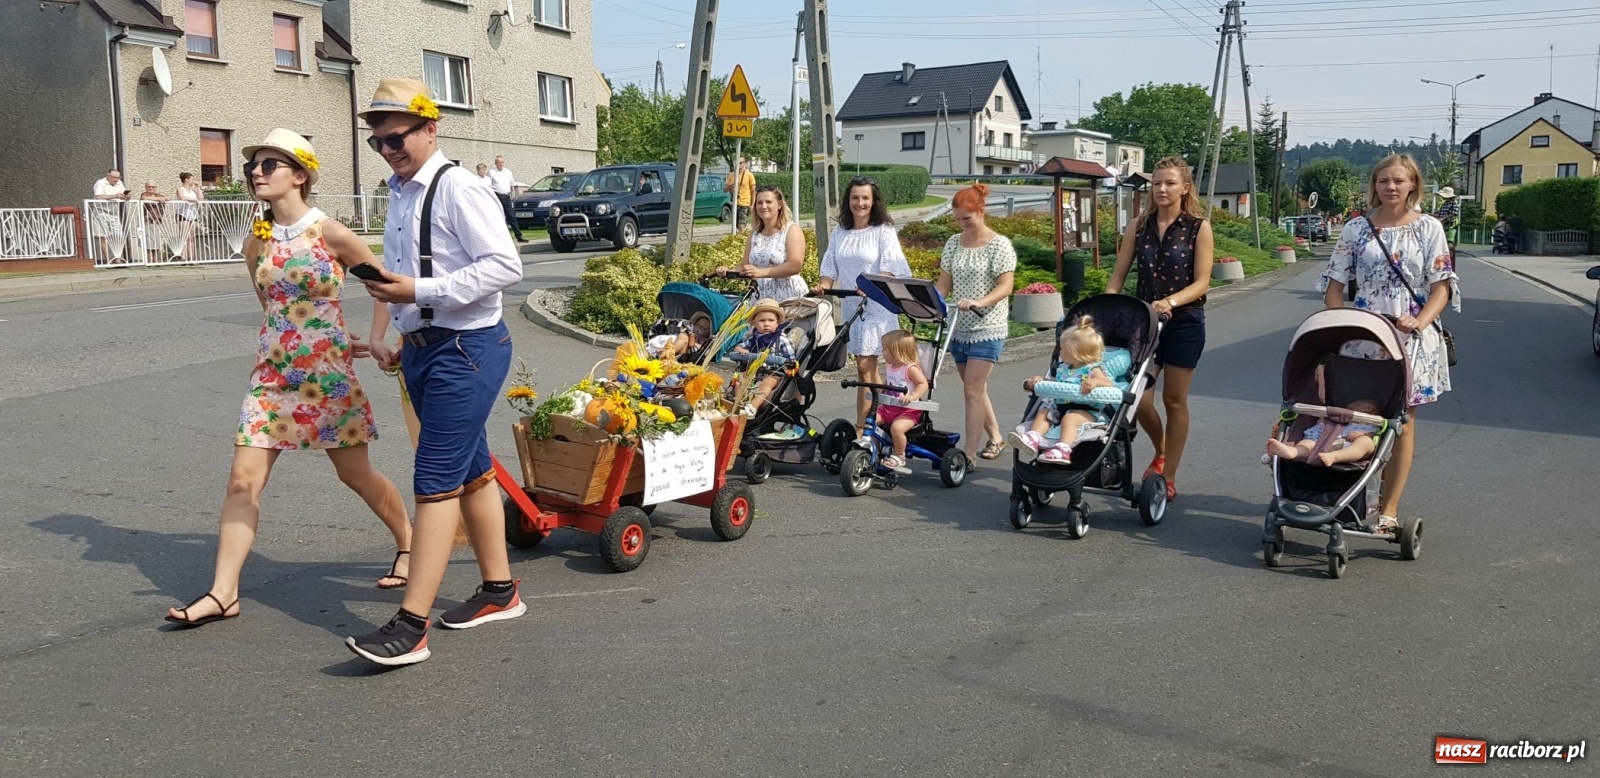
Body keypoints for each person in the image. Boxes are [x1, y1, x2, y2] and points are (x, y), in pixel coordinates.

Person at [163, 129, 413, 629]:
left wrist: (379, 339)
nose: (256, 171)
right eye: (253, 165)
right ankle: (223, 592)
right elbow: (271, 307)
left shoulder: (331, 233)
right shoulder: (255, 241)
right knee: (242, 481)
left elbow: (385, 287)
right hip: (273, 376)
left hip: (328, 377)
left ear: (300, 175)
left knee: (355, 475)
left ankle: (408, 542)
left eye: (270, 164)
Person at [345, 79, 526, 667]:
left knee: (436, 478)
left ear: (430, 128)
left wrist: (420, 292)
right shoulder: (401, 193)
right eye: (378, 142)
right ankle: (500, 590)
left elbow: (505, 265)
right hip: (425, 348)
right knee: (472, 472)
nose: (389, 149)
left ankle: (410, 624)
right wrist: (401, 330)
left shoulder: (459, 189)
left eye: (397, 137)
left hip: (467, 349)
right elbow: (403, 271)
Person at [1317, 153, 1457, 533]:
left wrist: (1419, 321)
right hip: (1363, 336)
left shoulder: (1429, 228)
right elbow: (1334, 288)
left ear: (1413, 185)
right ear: (1374, 186)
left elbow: (1441, 289)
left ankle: (1389, 507)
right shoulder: (1355, 229)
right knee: (1356, 417)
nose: (1390, 187)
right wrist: (1345, 326)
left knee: (1401, 423)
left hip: (1411, 339)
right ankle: (1350, 498)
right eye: (1383, 181)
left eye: (1398, 181)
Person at [1106, 155, 1215, 501]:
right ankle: (1162, 447)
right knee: (1138, 398)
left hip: (1184, 321)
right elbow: (1119, 274)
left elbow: (1202, 283)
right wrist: (1108, 305)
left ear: (1185, 188)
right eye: (1156, 183)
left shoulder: (1199, 227)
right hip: (1145, 322)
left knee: (1174, 400)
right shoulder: (1139, 226)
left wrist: (1172, 301)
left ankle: (1167, 476)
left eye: (1169, 183)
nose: (1161, 189)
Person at [812, 177, 912, 431]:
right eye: (855, 197)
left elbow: (892, 267)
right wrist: (824, 284)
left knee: (865, 367)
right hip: (852, 307)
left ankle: (864, 426)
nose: (860, 203)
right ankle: (875, 420)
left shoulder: (883, 230)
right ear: (848, 200)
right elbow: (830, 265)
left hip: (877, 306)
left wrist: (870, 285)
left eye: (865, 198)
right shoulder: (840, 232)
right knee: (863, 371)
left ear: (874, 200)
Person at [935, 183, 1017, 461]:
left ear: (981, 212)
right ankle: (995, 436)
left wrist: (980, 302)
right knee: (975, 389)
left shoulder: (999, 245)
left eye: (966, 219)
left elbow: (1005, 286)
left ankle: (968, 454)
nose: (962, 224)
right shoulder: (953, 243)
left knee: (972, 389)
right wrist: (929, 304)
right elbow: (943, 284)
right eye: (957, 219)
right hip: (959, 326)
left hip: (988, 326)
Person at [1010, 316, 1117, 465]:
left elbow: (1108, 384)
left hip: (1087, 411)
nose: (1059, 352)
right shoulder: (1063, 369)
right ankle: (1033, 437)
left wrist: (1095, 382)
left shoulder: (1092, 368)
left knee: (1070, 419)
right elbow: (1058, 384)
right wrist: (1042, 381)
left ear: (1074, 351)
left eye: (1062, 348)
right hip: (1061, 406)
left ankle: (1063, 449)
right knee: (1044, 411)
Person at [719, 185, 808, 301]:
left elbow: (795, 265)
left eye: (768, 202)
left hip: (788, 294)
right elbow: (744, 266)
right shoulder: (755, 234)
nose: (763, 206)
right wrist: (727, 271)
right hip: (761, 294)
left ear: (779, 205)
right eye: (759, 203)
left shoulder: (791, 230)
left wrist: (761, 272)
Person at [875, 329, 929, 476]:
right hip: (889, 407)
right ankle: (872, 450)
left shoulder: (910, 368)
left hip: (907, 411)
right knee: (870, 421)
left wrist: (913, 395)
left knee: (897, 428)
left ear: (897, 352)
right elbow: (890, 380)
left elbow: (923, 384)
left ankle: (899, 455)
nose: (882, 352)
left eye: (885, 349)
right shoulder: (890, 365)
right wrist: (883, 388)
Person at [1265, 399, 1382, 467]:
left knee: (1366, 443)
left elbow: (1377, 435)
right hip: (1322, 440)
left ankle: (1335, 457)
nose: (1345, 408)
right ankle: (1293, 451)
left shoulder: (1372, 422)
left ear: (1368, 407)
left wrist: (1365, 435)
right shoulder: (1336, 420)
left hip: (1348, 445)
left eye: (1350, 407)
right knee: (1308, 442)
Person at [729, 298, 797, 412]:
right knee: (740, 378)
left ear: (777, 323)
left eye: (771, 320)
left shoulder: (781, 340)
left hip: (775, 374)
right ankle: (738, 404)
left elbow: (791, 359)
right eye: (762, 321)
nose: (766, 324)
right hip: (754, 373)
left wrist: (788, 365)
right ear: (754, 323)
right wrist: (741, 350)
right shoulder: (752, 339)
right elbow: (738, 347)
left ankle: (752, 407)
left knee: (768, 382)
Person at [91, 168, 129, 263]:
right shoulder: (100, 183)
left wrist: (127, 196)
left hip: (114, 213)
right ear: (108, 175)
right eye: (114, 177)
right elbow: (98, 196)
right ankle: (107, 260)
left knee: (118, 236)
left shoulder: (119, 183)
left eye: (118, 177)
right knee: (104, 236)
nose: (116, 179)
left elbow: (125, 193)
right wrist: (115, 196)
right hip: (101, 212)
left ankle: (117, 259)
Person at [488, 155, 524, 242]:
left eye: (502, 162)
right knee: (498, 217)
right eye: (499, 162)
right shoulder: (492, 172)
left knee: (511, 216)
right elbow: (488, 185)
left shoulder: (508, 172)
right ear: (495, 163)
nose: (501, 164)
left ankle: (519, 236)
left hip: (506, 196)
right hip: (497, 196)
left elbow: (513, 184)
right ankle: (499, 237)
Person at [137, 180, 170, 263]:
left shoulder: (158, 195)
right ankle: (150, 261)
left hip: (157, 222)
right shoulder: (144, 194)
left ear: (156, 188)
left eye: (153, 187)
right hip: (147, 222)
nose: (151, 188)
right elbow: (144, 198)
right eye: (149, 187)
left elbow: (168, 198)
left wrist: (162, 198)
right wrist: (160, 199)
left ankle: (155, 260)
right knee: (149, 243)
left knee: (156, 243)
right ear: (146, 187)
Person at [176, 172, 203, 259]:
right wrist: (194, 200)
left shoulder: (193, 191)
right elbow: (182, 197)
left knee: (192, 237)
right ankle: (183, 258)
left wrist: (198, 188)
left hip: (193, 215)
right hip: (183, 214)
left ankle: (191, 257)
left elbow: (201, 198)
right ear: (186, 180)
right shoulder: (180, 188)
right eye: (192, 179)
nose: (193, 181)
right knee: (184, 236)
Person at [724, 157, 755, 229]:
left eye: (740, 163)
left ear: (745, 164)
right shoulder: (731, 175)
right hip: (734, 203)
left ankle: (741, 237)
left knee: (741, 225)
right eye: (737, 163)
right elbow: (725, 190)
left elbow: (753, 191)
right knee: (735, 226)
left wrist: (752, 204)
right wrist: (730, 187)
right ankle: (739, 238)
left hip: (744, 203)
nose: (738, 165)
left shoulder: (749, 175)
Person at [1432, 186, 1460, 250]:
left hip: (1450, 222)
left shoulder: (1453, 203)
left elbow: (1454, 213)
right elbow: (1440, 215)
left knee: (1450, 234)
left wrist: (1443, 218)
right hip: (1443, 221)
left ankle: (1449, 241)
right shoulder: (1445, 203)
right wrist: (1429, 214)